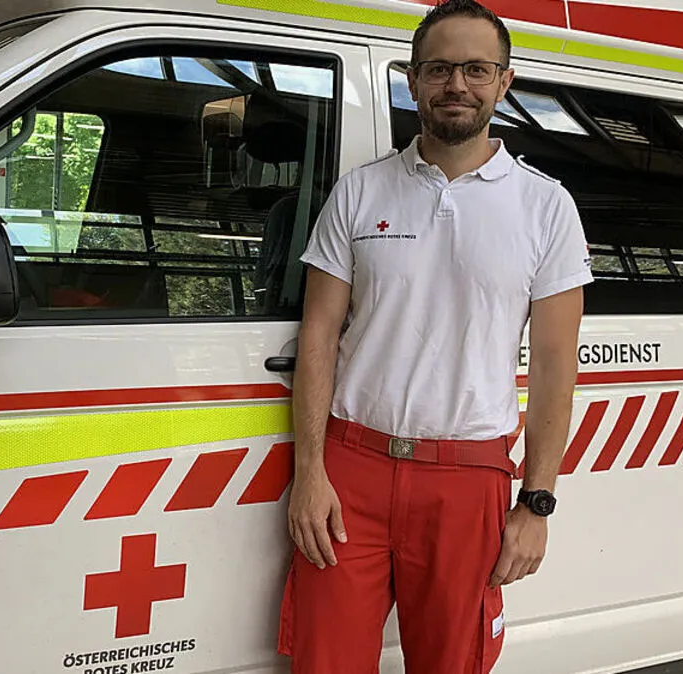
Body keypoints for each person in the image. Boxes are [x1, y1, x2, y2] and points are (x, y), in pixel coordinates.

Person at [276, 0, 594, 672]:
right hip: (349, 471)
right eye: (441, 69)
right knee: (322, 661)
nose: (458, 85)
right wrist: (310, 473)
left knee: (452, 663)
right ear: (413, 80)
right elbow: (320, 334)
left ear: (505, 82)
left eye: (477, 69)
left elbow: (555, 370)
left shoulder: (545, 206)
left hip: (468, 476)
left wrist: (536, 503)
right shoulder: (360, 193)